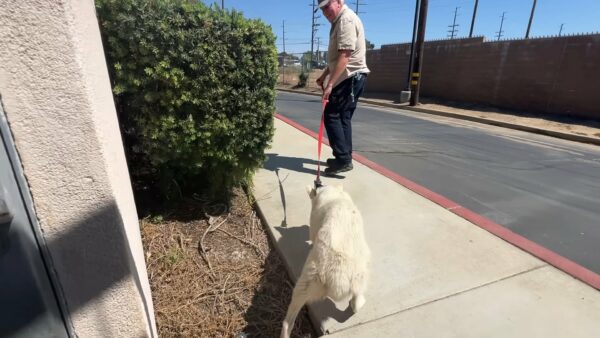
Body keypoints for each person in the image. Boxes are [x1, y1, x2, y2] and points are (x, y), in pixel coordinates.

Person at [316, 0, 370, 175]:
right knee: (343, 118)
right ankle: (344, 158)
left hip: (349, 78)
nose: (325, 12)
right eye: (322, 9)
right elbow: (338, 57)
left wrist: (329, 84)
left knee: (332, 115)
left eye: (327, 6)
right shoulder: (339, 20)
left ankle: (343, 159)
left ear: (339, 2)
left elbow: (345, 56)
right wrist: (324, 75)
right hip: (351, 77)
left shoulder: (346, 20)